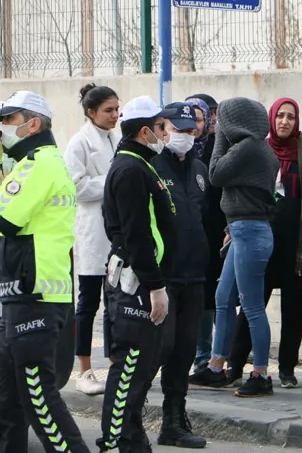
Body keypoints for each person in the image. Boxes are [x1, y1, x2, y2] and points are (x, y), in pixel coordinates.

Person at [0, 91, 90, 453]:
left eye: (8, 120)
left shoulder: (40, 163)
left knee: (40, 400)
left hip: (36, 295)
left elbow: (6, 219)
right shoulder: (29, 163)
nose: (3, 127)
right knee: (10, 397)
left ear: (32, 124)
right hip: (21, 295)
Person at [226, 97, 302, 389]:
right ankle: (235, 364)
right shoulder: (258, 148)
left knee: (294, 307)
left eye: (291, 117)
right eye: (281, 116)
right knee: (252, 303)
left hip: (297, 241)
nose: (285, 122)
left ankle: (286, 368)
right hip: (261, 237)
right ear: (271, 119)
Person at [99, 96, 176, 453]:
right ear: (146, 131)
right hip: (135, 284)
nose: (167, 132)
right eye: (162, 127)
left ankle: (130, 438)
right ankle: (117, 441)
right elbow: (136, 233)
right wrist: (155, 285)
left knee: (141, 366)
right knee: (129, 366)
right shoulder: (131, 169)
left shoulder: (141, 164)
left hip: (143, 280)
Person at [190, 97, 279, 398]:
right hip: (242, 229)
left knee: (252, 305)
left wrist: (220, 140)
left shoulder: (249, 148)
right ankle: (216, 366)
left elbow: (215, 173)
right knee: (222, 297)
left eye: (221, 120)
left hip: (250, 232)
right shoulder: (255, 148)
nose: (216, 125)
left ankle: (261, 373)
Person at [151, 102, 209, 449]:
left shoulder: (200, 169)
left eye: (190, 131)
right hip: (163, 278)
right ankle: (128, 420)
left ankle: (173, 421)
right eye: (178, 130)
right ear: (163, 129)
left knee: (184, 351)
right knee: (155, 351)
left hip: (194, 276)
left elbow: (206, 216)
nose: (184, 137)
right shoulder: (153, 167)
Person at [64, 83, 120, 396]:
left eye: (116, 109)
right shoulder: (78, 143)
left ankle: (115, 363)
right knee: (88, 303)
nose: (115, 115)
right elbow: (78, 188)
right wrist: (112, 180)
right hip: (90, 232)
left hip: (114, 231)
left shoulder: (116, 137)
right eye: (108, 110)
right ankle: (84, 369)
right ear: (91, 112)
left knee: (115, 302)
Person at [185, 95, 224, 374]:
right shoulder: (179, 149)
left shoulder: (218, 148)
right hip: (186, 232)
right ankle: (193, 353)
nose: (195, 125)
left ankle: (208, 355)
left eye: (200, 118)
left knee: (212, 295)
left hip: (214, 230)